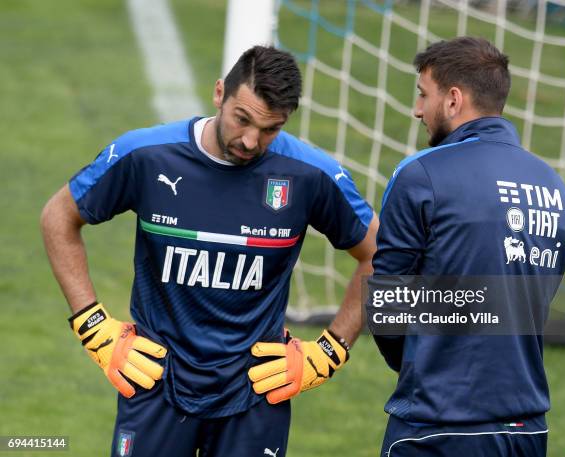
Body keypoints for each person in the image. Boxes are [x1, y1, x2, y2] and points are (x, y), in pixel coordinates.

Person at [41, 45, 378, 457]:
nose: (251, 141)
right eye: (242, 119)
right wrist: (92, 325)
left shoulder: (311, 175)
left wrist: (330, 350)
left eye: (270, 129)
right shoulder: (146, 155)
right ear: (219, 93)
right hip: (154, 382)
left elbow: (379, 253)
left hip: (256, 392)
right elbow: (58, 217)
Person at [372, 37, 565, 457]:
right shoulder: (556, 188)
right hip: (526, 431)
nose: (417, 110)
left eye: (422, 95)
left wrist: (421, 358)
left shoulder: (421, 175)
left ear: (453, 100)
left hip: (436, 427)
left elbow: (388, 306)